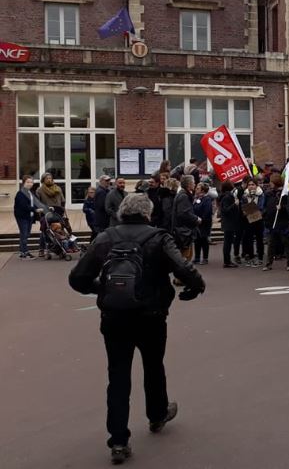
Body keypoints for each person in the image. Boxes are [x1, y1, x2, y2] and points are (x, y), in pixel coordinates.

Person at [68, 193, 205, 465]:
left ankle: (118, 440)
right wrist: (196, 286)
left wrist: (102, 288)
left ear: (121, 212)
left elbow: (77, 278)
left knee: (117, 375)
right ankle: (157, 414)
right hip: (151, 315)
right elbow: (183, 266)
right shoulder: (158, 237)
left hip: (114, 316)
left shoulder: (105, 237)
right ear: (147, 213)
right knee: (154, 365)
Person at [261, 173, 289, 272]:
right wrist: (265, 214)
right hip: (271, 223)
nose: (270, 183)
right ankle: (268, 263)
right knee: (271, 244)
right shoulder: (268, 194)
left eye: (271, 182)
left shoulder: (284, 194)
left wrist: (282, 208)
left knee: (286, 243)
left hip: (283, 223)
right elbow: (265, 206)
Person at [171, 176, 200, 261]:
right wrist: (196, 219)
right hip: (184, 232)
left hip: (183, 231)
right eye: (193, 182)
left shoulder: (183, 194)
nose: (195, 184)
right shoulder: (184, 196)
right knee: (185, 257)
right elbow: (184, 213)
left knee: (187, 256)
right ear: (189, 184)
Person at [14, 175, 42, 258]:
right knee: (24, 234)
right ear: (23, 183)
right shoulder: (20, 193)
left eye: (31, 182)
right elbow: (24, 206)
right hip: (22, 217)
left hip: (29, 217)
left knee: (26, 234)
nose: (30, 184)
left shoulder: (30, 193)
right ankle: (24, 252)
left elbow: (36, 203)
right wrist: (35, 210)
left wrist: (44, 208)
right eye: (28, 182)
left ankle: (23, 251)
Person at [240, 178, 265, 267]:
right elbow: (243, 205)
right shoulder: (244, 195)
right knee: (249, 238)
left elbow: (261, 206)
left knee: (259, 239)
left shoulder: (261, 194)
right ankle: (250, 257)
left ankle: (260, 257)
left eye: (253, 184)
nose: (251, 186)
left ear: (256, 185)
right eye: (249, 185)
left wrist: (250, 209)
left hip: (259, 219)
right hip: (248, 219)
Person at [219, 181, 240, 268]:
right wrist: (235, 205)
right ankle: (227, 261)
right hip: (229, 223)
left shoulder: (225, 196)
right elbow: (226, 210)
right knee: (227, 243)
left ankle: (227, 261)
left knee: (227, 242)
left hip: (228, 223)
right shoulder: (227, 197)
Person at [192, 182, 213, 265]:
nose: (196, 189)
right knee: (197, 241)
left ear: (203, 190)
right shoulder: (196, 198)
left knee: (204, 240)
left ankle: (205, 258)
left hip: (204, 223)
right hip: (197, 223)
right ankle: (197, 257)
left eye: (198, 188)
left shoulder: (207, 199)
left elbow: (207, 211)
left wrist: (201, 219)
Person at [93, 175, 111, 241]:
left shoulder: (106, 191)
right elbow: (102, 206)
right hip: (101, 221)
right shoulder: (101, 192)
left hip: (103, 220)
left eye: (109, 180)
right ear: (101, 181)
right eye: (106, 180)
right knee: (101, 239)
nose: (108, 182)